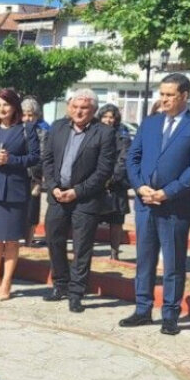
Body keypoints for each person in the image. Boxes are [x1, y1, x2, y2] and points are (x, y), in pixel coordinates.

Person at [120, 73, 190, 335]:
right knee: (145, 259)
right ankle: (142, 309)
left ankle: (170, 314)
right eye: (161, 94)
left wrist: (167, 192)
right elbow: (133, 158)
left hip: (175, 205)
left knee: (173, 262)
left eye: (170, 95)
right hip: (145, 203)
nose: (164, 99)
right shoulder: (150, 123)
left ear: (184, 96)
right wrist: (140, 187)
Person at [41, 89, 117, 312]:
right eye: (75, 106)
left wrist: (77, 191)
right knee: (54, 239)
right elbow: (47, 160)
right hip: (57, 195)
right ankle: (60, 284)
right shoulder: (57, 127)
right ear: (69, 107)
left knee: (82, 247)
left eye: (84, 108)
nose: (78, 111)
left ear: (93, 110)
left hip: (85, 199)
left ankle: (76, 292)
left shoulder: (104, 133)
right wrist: (53, 186)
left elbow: (103, 171)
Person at [0, 88, 40, 300]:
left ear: (14, 106)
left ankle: (7, 282)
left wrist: (11, 160)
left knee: (12, 241)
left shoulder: (26, 129)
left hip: (14, 190)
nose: (2, 109)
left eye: (6, 104)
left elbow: (34, 158)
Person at [96, 104, 131, 260]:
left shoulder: (122, 134)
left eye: (111, 117)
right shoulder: (94, 131)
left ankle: (114, 253)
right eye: (105, 117)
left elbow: (124, 158)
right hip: (96, 183)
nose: (108, 120)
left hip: (116, 184)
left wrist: (112, 178)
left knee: (116, 221)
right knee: (90, 219)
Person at [21, 97, 47, 244]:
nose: (27, 118)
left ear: (37, 116)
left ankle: (28, 241)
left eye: (31, 115)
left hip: (33, 177)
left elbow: (42, 156)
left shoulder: (43, 132)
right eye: (24, 114)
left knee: (31, 211)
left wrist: (38, 179)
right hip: (17, 174)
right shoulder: (17, 129)